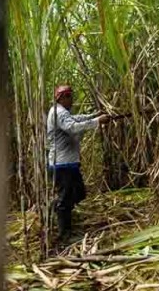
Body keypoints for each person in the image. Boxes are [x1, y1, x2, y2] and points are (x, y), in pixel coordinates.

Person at [47, 85, 110, 244]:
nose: (72, 100)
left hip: (69, 163)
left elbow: (75, 119)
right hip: (61, 164)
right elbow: (72, 127)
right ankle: (64, 234)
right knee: (67, 198)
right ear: (61, 98)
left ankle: (56, 206)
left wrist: (94, 115)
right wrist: (96, 121)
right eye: (69, 97)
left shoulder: (62, 112)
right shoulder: (59, 113)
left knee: (79, 193)